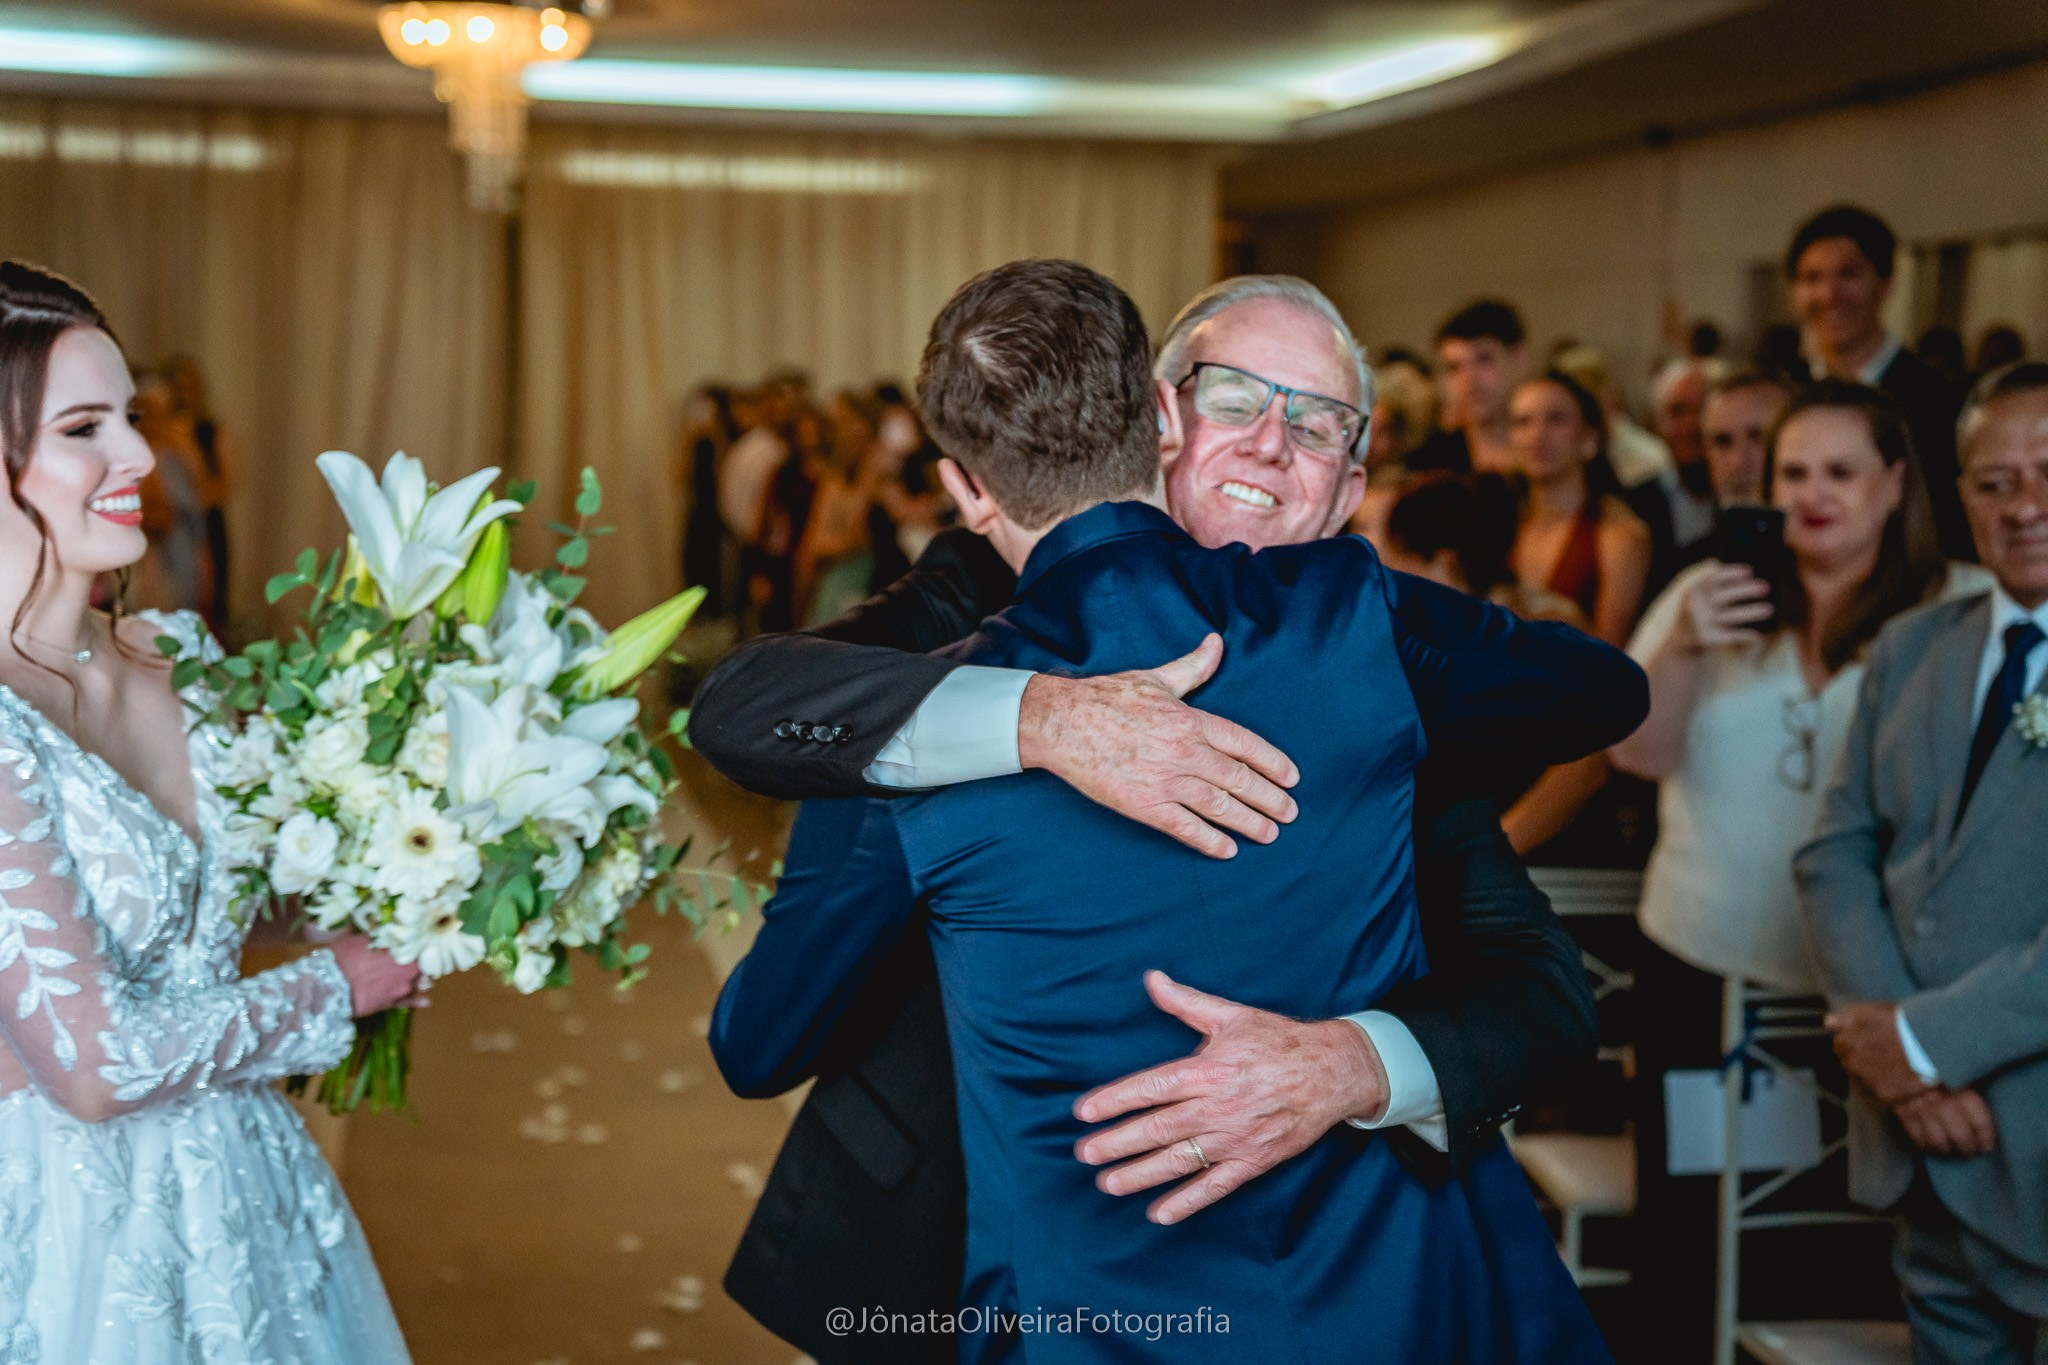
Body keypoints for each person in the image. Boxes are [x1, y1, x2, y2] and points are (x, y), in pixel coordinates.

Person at [695, 274, 1643, 1361]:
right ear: (1155, 417)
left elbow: (1544, 998)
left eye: (1320, 423)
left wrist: (1352, 1063)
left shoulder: (1379, 663)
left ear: (1348, 488)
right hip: (971, 1255)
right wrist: (1043, 719)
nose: (1271, 447)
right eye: (1236, 399)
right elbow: (754, 717)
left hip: (1368, 1272)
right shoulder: (957, 632)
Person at [0, 260, 417, 1360]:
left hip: (248, 1181)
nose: (140, 456)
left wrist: (417, 878)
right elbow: (93, 1070)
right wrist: (346, 982)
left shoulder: (176, 655)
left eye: (129, 418)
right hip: (73, 1228)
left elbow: (206, 900)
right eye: (86, 427)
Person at [1613, 380, 1987, 1358]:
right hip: (1704, 963)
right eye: (1791, 472)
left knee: (1847, 1240)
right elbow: (1634, 755)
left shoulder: (1957, 604)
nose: (1811, 494)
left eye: (1839, 471)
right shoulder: (1709, 590)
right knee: (1694, 1217)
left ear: (1894, 481)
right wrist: (1684, 645)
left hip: (1883, 989)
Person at [1797, 362, 2048, 1365]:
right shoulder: (1910, 649)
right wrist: (1899, 1066)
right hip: (1918, 1151)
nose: (2023, 507)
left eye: (2044, 473)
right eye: (1992, 482)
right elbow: (1832, 853)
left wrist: (1931, 1044)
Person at [1787, 204, 1972, 560]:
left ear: (1886, 282)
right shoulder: (1785, 396)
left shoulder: (1943, 402)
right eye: (1811, 278)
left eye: (1849, 274)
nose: (1829, 295)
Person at [1506, 369, 1653, 646]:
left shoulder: (1619, 536)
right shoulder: (1499, 527)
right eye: (1522, 422)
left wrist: (1569, 621)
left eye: (1556, 419)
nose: (1537, 435)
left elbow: (1612, 655)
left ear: (1589, 438)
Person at [1409, 298, 1529, 475]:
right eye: (1454, 367)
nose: (1469, 379)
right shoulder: (1429, 467)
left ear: (1519, 359)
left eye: (1483, 359)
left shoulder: (1555, 458)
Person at [165, 354, 236, 631]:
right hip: (170, 526)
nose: (183, 395)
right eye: (177, 388)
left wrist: (188, 450)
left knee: (212, 595)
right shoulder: (160, 433)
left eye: (188, 387)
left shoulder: (211, 431)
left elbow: (221, 486)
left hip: (207, 521)